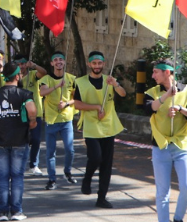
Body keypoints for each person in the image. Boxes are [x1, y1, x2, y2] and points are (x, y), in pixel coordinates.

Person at [144, 59, 187, 222]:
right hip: (160, 146)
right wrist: (165, 98)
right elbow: (146, 108)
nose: (153, 75)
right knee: (163, 192)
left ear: (167, 72)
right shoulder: (152, 92)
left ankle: (178, 219)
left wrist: (181, 109)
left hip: (181, 146)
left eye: (156, 72)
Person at [0, 62, 37, 221]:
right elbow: (32, 109)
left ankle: (2, 212)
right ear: (18, 76)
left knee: (2, 177)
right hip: (20, 140)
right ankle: (17, 211)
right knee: (17, 176)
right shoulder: (24, 94)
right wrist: (32, 122)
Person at [73, 51, 127, 209]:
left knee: (107, 164)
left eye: (99, 63)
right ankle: (87, 178)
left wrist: (115, 84)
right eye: (94, 63)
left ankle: (101, 197)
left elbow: (123, 94)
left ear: (103, 64)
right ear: (89, 64)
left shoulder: (109, 80)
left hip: (108, 126)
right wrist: (96, 107)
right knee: (96, 158)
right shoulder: (81, 82)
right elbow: (76, 104)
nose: (97, 66)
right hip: (91, 125)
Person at [39, 52, 77, 190]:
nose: (58, 62)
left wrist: (66, 104)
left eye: (61, 59)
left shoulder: (72, 78)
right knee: (50, 152)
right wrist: (56, 86)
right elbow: (42, 92)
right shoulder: (46, 79)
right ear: (52, 63)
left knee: (70, 149)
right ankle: (52, 179)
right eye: (55, 60)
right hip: (51, 120)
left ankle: (67, 172)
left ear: (64, 62)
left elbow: (76, 99)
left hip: (66, 119)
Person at [13, 55, 47, 176]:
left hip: (35, 113)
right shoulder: (15, 78)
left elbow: (44, 73)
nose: (21, 67)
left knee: (36, 139)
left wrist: (34, 66)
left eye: (22, 64)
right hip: (20, 114)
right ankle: (18, 165)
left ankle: (34, 164)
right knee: (20, 141)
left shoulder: (33, 74)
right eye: (18, 64)